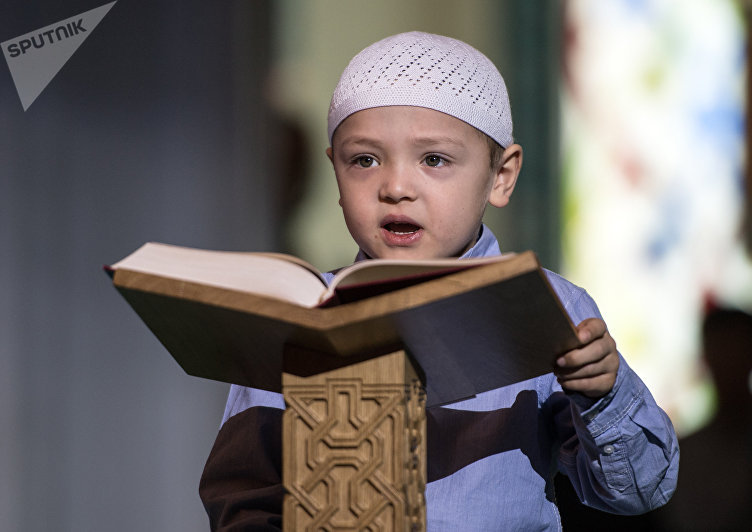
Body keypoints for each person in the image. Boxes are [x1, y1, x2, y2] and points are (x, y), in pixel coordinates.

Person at [199, 31, 679, 531]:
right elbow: (243, 492)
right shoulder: (302, 311)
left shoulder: (545, 306)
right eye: (364, 160)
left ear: (501, 175)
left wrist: (602, 394)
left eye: (434, 160)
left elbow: (639, 490)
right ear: (335, 171)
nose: (395, 187)